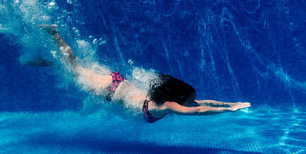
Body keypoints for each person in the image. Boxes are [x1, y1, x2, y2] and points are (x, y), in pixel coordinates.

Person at [23, 24, 250, 123]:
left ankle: (50, 62)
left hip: (115, 83)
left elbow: (204, 102)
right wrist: (228, 111)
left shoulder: (168, 100)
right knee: (75, 69)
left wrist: (233, 103)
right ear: (178, 99)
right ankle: (54, 34)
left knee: (75, 69)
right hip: (109, 88)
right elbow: (199, 111)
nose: (192, 101)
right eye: (189, 99)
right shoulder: (166, 106)